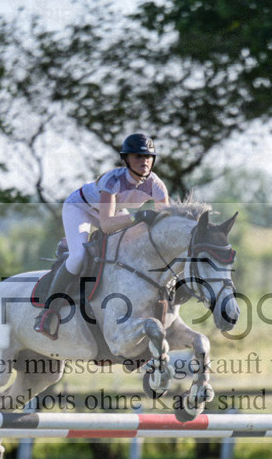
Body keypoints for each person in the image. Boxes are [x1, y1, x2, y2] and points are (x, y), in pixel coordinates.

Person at [34, 133, 170, 339]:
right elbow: (106, 225)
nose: (144, 161)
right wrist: (138, 217)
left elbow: (164, 222)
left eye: (148, 157)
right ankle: (49, 310)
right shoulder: (113, 180)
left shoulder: (156, 185)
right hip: (81, 207)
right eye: (138, 156)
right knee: (78, 257)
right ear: (126, 159)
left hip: (115, 212)